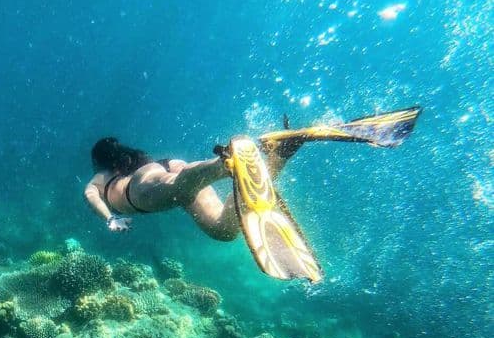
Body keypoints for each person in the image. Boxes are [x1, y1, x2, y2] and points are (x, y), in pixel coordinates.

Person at [85, 106, 422, 283]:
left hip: (139, 192)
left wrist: (110, 217)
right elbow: (174, 176)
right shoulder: (137, 159)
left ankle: (225, 163)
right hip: (171, 168)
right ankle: (279, 152)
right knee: (224, 229)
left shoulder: (106, 175)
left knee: (177, 187)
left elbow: (90, 194)